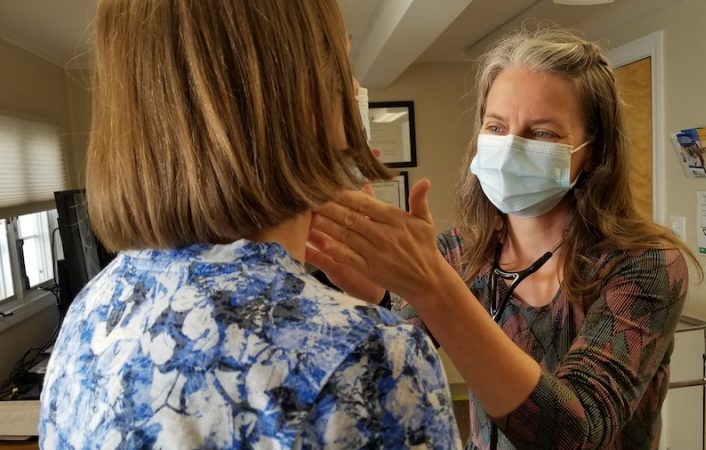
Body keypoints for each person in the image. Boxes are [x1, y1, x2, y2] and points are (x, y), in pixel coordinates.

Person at [38, 1, 460, 448]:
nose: (355, 86)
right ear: (304, 97)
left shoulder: (89, 316)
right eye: (344, 62)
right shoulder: (373, 359)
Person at [308, 26, 699, 450]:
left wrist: (434, 288)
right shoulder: (461, 251)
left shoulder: (645, 264)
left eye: (542, 133)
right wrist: (374, 295)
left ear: (593, 152)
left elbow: (575, 433)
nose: (511, 148)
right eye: (496, 126)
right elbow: (398, 355)